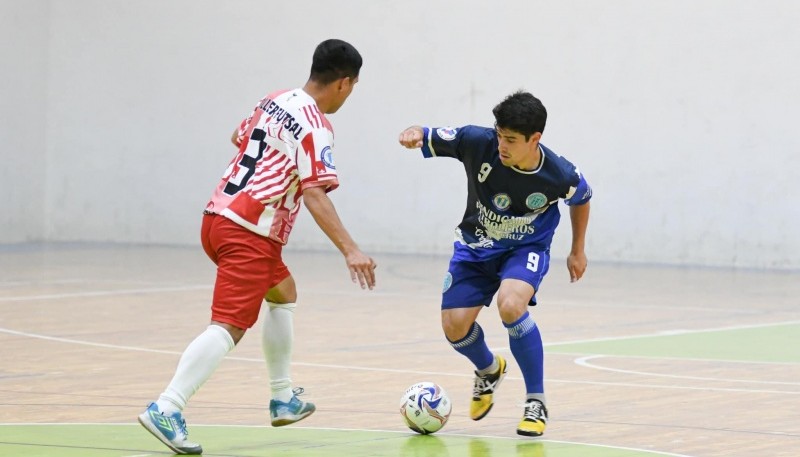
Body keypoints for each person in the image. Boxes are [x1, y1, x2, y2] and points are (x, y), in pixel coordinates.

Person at [138, 39, 376, 455]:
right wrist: (350, 249)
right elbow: (316, 194)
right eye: (353, 86)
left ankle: (283, 397)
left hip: (217, 217)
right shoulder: (317, 126)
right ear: (343, 82)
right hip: (248, 232)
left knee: (284, 292)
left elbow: (238, 137)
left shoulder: (275, 98)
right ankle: (167, 406)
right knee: (229, 325)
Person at [397, 91, 591, 437]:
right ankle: (488, 370)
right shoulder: (478, 141)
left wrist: (578, 249)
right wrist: (413, 133)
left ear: (535, 139)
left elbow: (582, 198)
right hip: (475, 246)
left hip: (525, 248)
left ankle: (536, 401)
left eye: (511, 139)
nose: (502, 144)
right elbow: (427, 132)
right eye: (500, 134)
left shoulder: (559, 173)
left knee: (511, 304)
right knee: (454, 327)